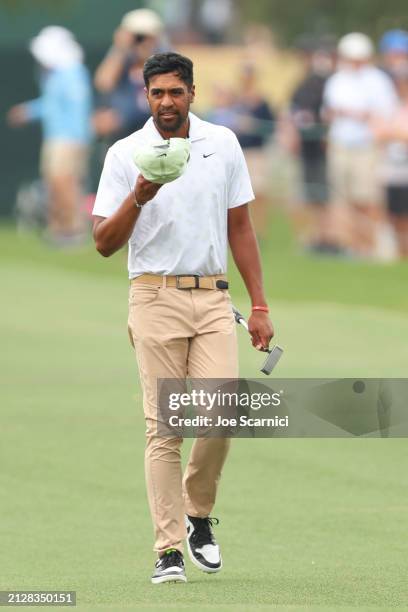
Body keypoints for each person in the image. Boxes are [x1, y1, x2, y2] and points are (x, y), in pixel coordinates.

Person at [92, 52, 274, 584]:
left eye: (175, 92)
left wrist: (259, 304)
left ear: (192, 92)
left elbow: (240, 226)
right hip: (153, 297)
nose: (166, 102)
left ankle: (198, 514)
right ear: (146, 97)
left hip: (213, 298)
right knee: (164, 429)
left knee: (223, 412)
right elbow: (104, 242)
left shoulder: (223, 143)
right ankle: (168, 549)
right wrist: (139, 198)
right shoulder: (127, 154)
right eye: (157, 94)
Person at [7, 26, 92, 245]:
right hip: (56, 138)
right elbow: (51, 105)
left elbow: (77, 108)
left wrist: (78, 138)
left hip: (69, 139)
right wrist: (28, 111)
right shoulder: (54, 74)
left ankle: (72, 231)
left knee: (66, 183)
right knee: (54, 183)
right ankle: (58, 229)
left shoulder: (72, 73)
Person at [323, 32, 398, 257]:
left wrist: (356, 114)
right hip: (340, 144)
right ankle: (351, 245)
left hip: (366, 146)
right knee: (342, 198)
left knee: (366, 197)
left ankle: (371, 244)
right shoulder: (337, 79)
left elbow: (385, 114)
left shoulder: (378, 80)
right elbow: (328, 112)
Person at [93, 9, 166, 142]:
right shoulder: (122, 59)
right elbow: (104, 82)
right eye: (137, 36)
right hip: (122, 136)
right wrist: (121, 48)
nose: (140, 41)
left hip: (154, 136)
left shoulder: (165, 60)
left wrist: (148, 54)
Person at [372, 64, 408, 257]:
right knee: (392, 213)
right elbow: (378, 132)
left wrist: (394, 133)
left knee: (405, 215)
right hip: (391, 167)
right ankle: (400, 252)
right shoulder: (390, 105)